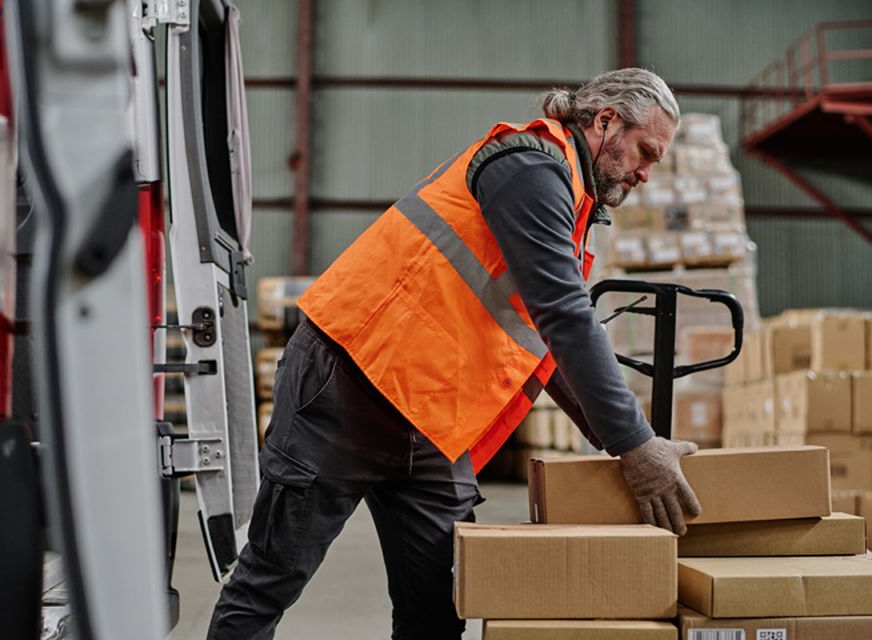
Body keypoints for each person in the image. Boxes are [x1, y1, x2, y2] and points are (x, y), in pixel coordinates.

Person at [208, 67, 701, 640]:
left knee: (438, 611)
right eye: (645, 153)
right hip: (349, 386)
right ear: (606, 121)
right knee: (271, 580)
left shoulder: (568, 193)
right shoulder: (529, 168)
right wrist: (634, 445)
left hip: (433, 416)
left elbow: (544, 338)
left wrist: (617, 439)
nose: (645, 174)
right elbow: (564, 313)